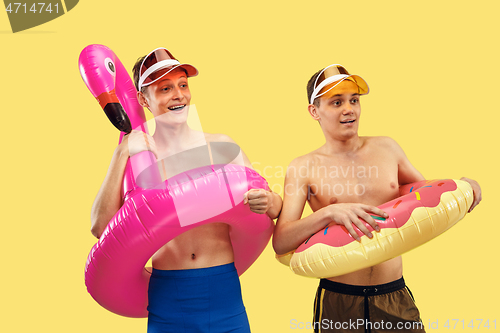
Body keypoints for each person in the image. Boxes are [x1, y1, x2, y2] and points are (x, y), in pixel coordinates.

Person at [272, 64, 482, 333]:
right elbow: (281, 241)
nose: (349, 109)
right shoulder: (302, 167)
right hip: (339, 298)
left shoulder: (387, 148)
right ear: (315, 111)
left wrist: (463, 186)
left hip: (393, 292)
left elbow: (426, 195)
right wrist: (328, 213)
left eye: (354, 100)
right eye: (336, 102)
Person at [90, 47, 282, 333]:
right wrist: (121, 154)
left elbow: (275, 208)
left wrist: (268, 201)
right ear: (144, 99)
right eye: (165, 88)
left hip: (223, 293)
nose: (178, 95)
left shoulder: (220, 146)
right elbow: (101, 228)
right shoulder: (139, 157)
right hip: (169, 297)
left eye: (183, 85)